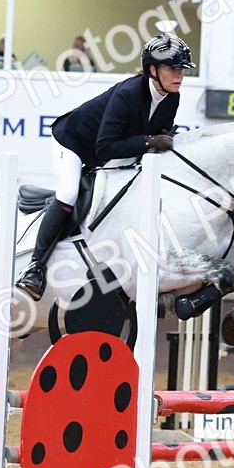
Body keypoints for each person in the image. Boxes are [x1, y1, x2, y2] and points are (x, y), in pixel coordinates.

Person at [14, 33, 195, 299]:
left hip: (105, 153)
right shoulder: (128, 94)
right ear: (152, 70)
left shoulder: (172, 98)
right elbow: (106, 146)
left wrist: (159, 140)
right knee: (67, 194)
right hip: (73, 142)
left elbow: (151, 137)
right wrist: (150, 140)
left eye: (181, 69)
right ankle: (35, 268)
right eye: (172, 68)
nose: (179, 75)